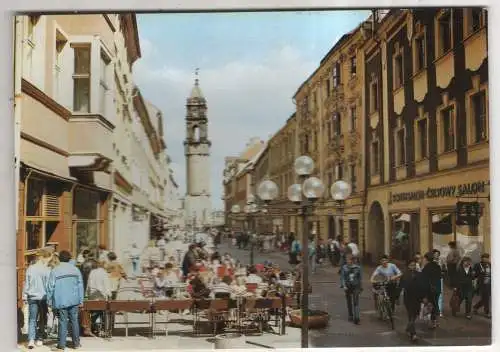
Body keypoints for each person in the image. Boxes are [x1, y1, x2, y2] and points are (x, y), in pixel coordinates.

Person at [46, 250, 84, 351]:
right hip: (74, 300)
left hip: (61, 300)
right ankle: (76, 344)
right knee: (74, 321)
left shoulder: (55, 270)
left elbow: (50, 287)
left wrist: (49, 300)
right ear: (69, 259)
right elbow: (80, 286)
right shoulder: (76, 270)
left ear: (59, 258)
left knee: (62, 321)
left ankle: (61, 345)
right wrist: (81, 300)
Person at [22, 249, 52, 349]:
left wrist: (24, 296)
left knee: (32, 318)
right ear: (43, 257)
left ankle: (31, 340)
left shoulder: (30, 268)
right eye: (48, 258)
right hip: (43, 297)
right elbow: (49, 286)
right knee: (43, 318)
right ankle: (39, 338)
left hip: (32, 296)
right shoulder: (47, 270)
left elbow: (26, 282)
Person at [399, 258, 428, 342]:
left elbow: (423, 286)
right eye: (411, 265)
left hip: (417, 298)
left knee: (415, 315)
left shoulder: (420, 274)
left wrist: (424, 297)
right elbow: (401, 286)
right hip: (408, 298)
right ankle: (413, 334)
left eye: (414, 265)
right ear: (408, 266)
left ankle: (409, 328)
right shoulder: (404, 275)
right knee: (411, 315)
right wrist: (397, 297)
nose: (413, 267)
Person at [86, 260, 111, 335]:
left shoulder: (92, 272)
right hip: (101, 296)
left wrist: (87, 295)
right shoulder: (103, 272)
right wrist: (109, 295)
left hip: (92, 297)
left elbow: (88, 285)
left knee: (94, 312)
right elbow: (106, 285)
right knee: (103, 312)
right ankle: (103, 328)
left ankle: (93, 327)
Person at [421, 252, 442, 329]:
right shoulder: (437, 266)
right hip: (437, 288)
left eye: (424, 258)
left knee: (432, 304)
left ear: (426, 259)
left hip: (430, 289)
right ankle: (435, 321)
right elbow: (440, 276)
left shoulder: (426, 268)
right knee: (435, 303)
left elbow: (424, 279)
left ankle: (433, 321)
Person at [342, 253, 362, 324]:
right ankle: (350, 315)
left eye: (349, 260)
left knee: (356, 302)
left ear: (352, 260)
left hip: (355, 286)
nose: (348, 261)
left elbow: (360, 278)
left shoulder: (358, 268)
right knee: (349, 301)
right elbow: (343, 277)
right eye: (347, 260)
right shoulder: (344, 267)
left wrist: (360, 287)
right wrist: (344, 285)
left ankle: (357, 318)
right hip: (348, 286)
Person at [473, 253, 491, 318]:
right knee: (486, 298)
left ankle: (475, 307)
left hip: (489, 284)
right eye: (484, 257)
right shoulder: (478, 265)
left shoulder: (490, 265)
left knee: (485, 299)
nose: (486, 259)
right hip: (482, 284)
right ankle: (487, 312)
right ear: (482, 258)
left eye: (487, 257)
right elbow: (474, 275)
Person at [432, 249, 446, 317]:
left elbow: (444, 269)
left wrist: (442, 272)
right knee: (433, 294)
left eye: (438, 254)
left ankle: (439, 310)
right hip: (432, 280)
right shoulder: (430, 262)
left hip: (440, 279)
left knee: (440, 294)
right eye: (435, 254)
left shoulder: (441, 261)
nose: (437, 255)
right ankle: (433, 309)